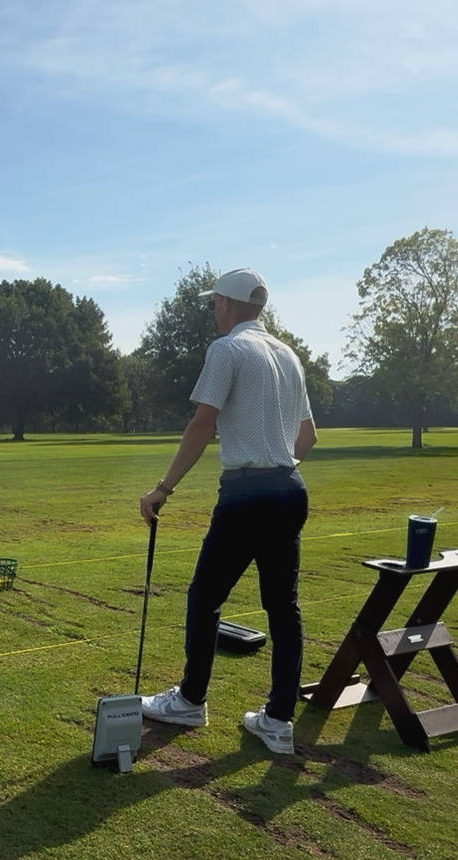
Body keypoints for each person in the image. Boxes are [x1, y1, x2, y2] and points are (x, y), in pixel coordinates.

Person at [137, 268, 317, 755]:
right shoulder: (288, 354)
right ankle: (278, 720)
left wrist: (162, 489)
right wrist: (279, 467)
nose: (214, 309)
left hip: (246, 494)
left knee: (205, 597)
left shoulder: (227, 350)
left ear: (230, 305)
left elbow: (201, 424)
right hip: (289, 488)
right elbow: (308, 436)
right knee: (283, 605)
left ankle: (191, 701)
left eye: (215, 302)